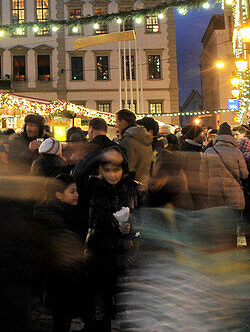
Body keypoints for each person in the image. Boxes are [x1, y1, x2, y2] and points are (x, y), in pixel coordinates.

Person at [83, 148, 142, 331]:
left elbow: (144, 220)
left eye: (115, 169)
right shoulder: (94, 186)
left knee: (126, 304)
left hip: (126, 252)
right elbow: (79, 172)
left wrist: (132, 228)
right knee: (101, 305)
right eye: (107, 170)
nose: (111, 174)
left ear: (123, 169)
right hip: (99, 250)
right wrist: (99, 156)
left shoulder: (135, 188)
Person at [34, 175, 89, 332]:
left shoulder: (69, 211)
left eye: (77, 191)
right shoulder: (50, 213)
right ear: (59, 194)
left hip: (68, 272)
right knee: (62, 313)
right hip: (59, 273)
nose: (77, 195)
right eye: (72, 191)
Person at [201, 122, 248, 210]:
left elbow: (202, 176)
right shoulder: (236, 152)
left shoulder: (208, 151)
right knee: (233, 221)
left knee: (216, 221)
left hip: (214, 193)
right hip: (233, 194)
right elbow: (244, 175)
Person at [115, 109, 153, 186]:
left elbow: (128, 168)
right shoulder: (144, 138)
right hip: (145, 184)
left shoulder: (127, 141)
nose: (116, 126)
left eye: (117, 122)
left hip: (133, 187)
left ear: (124, 122)